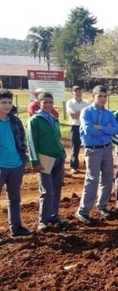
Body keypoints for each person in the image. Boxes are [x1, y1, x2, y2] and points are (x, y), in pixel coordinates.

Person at [75, 86, 118, 224]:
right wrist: (107, 130)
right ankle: (83, 211)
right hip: (93, 150)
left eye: (105, 96)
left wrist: (100, 127)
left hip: (107, 149)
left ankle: (102, 206)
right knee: (92, 180)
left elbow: (116, 129)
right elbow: (89, 131)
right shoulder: (86, 112)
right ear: (93, 96)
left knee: (107, 179)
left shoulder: (109, 113)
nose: (102, 99)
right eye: (99, 96)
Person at [26, 92, 68, 231]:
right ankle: (43, 221)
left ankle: (53, 216)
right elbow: (31, 142)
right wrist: (34, 161)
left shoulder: (54, 119)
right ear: (39, 103)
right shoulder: (34, 121)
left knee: (57, 189)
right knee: (46, 191)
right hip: (44, 160)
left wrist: (62, 151)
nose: (48, 105)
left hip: (58, 158)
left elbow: (57, 137)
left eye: (51, 102)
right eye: (45, 102)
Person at [0, 89, 33, 241]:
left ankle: (16, 228)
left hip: (15, 165)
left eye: (9, 102)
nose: (7, 106)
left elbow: (22, 141)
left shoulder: (15, 121)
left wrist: (22, 160)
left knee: (14, 199)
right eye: (3, 102)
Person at [66, 85, 89, 174]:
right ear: (73, 93)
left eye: (79, 91)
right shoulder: (70, 103)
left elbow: (89, 115)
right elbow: (73, 116)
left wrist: (79, 114)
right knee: (74, 148)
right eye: (76, 91)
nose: (78, 93)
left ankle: (87, 164)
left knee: (88, 146)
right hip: (75, 127)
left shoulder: (86, 102)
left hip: (85, 126)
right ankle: (74, 166)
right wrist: (83, 114)